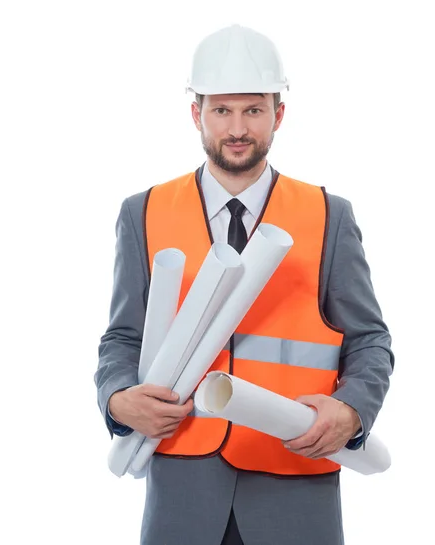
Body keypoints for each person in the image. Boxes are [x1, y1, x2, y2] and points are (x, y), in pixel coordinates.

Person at [94, 24, 394, 545]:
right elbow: (122, 336)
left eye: (253, 110)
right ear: (197, 114)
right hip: (183, 481)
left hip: (294, 474)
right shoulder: (143, 213)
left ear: (278, 115)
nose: (237, 128)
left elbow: (370, 340)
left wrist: (352, 410)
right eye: (221, 110)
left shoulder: (328, 215)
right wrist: (117, 399)